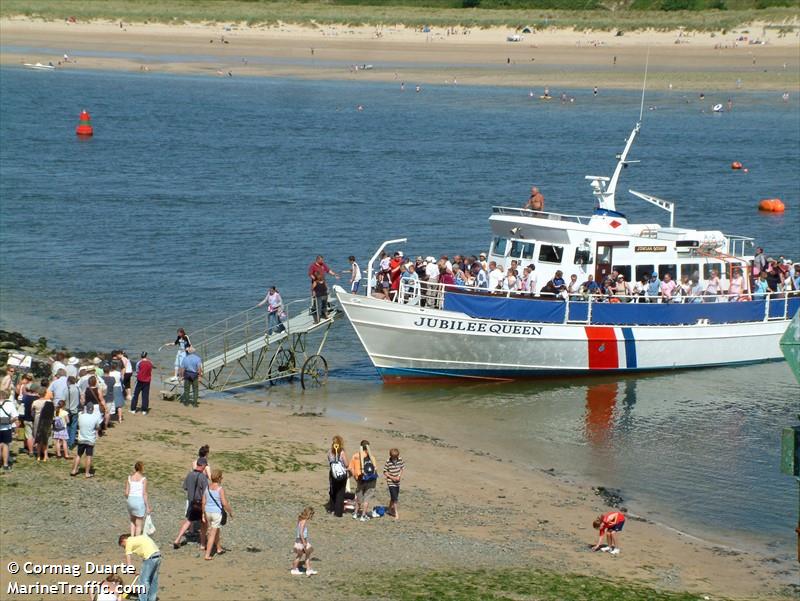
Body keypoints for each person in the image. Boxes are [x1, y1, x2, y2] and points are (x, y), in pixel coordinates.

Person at [174, 457, 209, 549]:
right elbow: (206, 492)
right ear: (202, 465)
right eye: (205, 466)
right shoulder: (203, 477)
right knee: (203, 524)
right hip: (199, 502)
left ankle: (177, 539)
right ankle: (202, 544)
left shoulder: (189, 474)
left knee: (188, 521)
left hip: (190, 501)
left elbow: (185, 487)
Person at [119, 533, 161, 601]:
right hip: (158, 556)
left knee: (143, 581)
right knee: (153, 580)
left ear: (123, 540)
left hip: (149, 558)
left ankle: (142, 599)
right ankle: (151, 599)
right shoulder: (139, 538)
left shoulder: (129, 542)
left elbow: (129, 563)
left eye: (123, 546)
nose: (124, 548)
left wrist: (134, 572)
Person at [202, 469, 233, 560]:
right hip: (216, 513)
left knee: (216, 530)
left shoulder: (207, 487)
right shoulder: (220, 489)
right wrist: (230, 511)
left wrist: (203, 514)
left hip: (208, 512)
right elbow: (224, 503)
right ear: (219, 478)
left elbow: (203, 502)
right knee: (213, 533)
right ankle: (207, 554)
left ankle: (218, 548)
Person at [349, 439, 379, 521]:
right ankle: (363, 515)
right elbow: (375, 469)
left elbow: (351, 468)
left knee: (359, 496)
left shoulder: (355, 456)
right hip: (370, 480)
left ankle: (355, 513)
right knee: (367, 497)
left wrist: (355, 477)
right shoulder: (372, 457)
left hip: (360, 478)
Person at [71, 400, 102, 477]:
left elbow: (79, 422)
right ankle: (87, 473)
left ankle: (74, 470)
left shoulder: (81, 416)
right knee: (88, 456)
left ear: (86, 408)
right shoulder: (95, 418)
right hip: (90, 440)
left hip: (81, 439)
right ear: (93, 409)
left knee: (78, 455)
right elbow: (98, 427)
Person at [126, 461, 151, 536]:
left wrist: (129, 499)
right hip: (139, 501)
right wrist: (147, 507)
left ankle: (132, 537)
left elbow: (126, 493)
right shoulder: (143, 479)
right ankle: (137, 540)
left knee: (132, 521)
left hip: (130, 500)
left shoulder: (129, 478)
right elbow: (144, 493)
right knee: (139, 524)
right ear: (141, 469)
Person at [291, 506, 317, 576]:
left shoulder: (300, 519)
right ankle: (296, 569)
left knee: (303, 555)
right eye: (311, 515)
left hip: (299, 541)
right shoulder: (304, 521)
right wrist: (304, 543)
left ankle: (306, 569)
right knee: (303, 555)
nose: (311, 517)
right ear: (309, 514)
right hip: (302, 541)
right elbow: (301, 533)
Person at [327, 435, 348, 517]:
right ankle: (338, 512)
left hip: (332, 473)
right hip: (341, 474)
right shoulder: (342, 452)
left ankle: (331, 508)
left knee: (333, 490)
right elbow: (346, 464)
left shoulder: (330, 452)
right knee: (340, 492)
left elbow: (329, 461)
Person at [383, 448, 405, 520]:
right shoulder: (388, 461)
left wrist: (399, 476)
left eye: (396, 457)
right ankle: (396, 513)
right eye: (394, 457)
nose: (395, 458)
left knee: (393, 497)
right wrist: (392, 477)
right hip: (390, 482)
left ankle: (389, 510)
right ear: (391, 456)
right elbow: (385, 472)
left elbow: (402, 468)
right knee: (395, 498)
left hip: (397, 482)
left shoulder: (400, 459)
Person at [0, 389, 19, 472]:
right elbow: (15, 417)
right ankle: (5, 464)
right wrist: (8, 422)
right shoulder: (10, 404)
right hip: (6, 427)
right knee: (5, 445)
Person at [34, 393, 54, 463]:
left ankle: (38, 456)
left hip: (41, 427)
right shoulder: (51, 414)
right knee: (45, 442)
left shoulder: (42, 415)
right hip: (47, 427)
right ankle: (45, 456)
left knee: (39, 442)